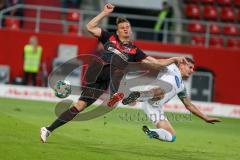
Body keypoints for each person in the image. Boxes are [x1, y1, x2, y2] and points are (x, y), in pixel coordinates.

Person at [40, 3, 187, 143]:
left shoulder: (135, 50)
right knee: (119, 66)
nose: (125, 29)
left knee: (80, 105)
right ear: (117, 31)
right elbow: (89, 27)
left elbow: (156, 62)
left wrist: (173, 59)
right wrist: (104, 13)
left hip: (107, 80)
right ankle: (115, 94)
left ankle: (48, 129)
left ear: (130, 30)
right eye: (122, 27)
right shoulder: (109, 37)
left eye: (127, 27)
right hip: (98, 71)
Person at [121, 57, 221, 142]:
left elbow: (188, 105)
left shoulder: (182, 86)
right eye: (190, 67)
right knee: (162, 91)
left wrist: (205, 118)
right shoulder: (171, 68)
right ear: (182, 65)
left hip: (154, 107)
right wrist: (173, 59)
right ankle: (137, 96)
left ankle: (153, 132)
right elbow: (156, 62)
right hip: (151, 91)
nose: (192, 70)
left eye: (193, 68)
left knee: (172, 136)